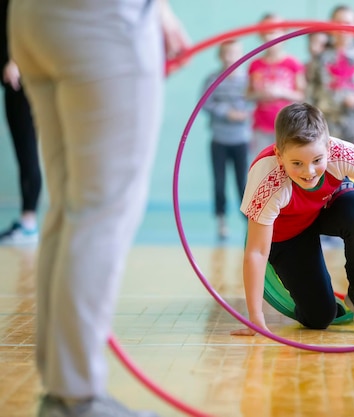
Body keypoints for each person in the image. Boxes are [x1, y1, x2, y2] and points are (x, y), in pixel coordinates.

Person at [9, 0, 190, 416]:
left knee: (71, 206)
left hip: (32, 19)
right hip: (103, 22)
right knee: (100, 213)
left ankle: (63, 391)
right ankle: (77, 396)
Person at [231, 102, 354, 335]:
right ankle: (320, 301)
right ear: (279, 155)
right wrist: (255, 317)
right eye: (297, 163)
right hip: (290, 232)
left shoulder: (341, 153)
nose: (309, 171)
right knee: (320, 317)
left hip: (328, 207)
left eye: (317, 160)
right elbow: (256, 252)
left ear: (328, 148)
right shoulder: (267, 180)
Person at [308, 5, 354, 152]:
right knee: (327, 166)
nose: (342, 28)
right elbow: (311, 88)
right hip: (325, 124)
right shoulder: (321, 57)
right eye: (338, 22)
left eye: (347, 22)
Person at [201, 40, 253, 240]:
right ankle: (221, 221)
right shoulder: (213, 79)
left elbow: (255, 101)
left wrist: (245, 114)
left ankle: (248, 222)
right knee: (219, 182)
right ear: (220, 56)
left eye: (235, 53)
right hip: (219, 140)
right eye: (227, 53)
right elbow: (206, 103)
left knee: (243, 183)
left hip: (241, 140)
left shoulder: (247, 80)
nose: (231, 57)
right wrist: (226, 112)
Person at [0, 0, 41, 246]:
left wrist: (17, 60)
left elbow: (30, 19)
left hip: (21, 76)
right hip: (10, 74)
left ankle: (29, 223)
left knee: (26, 148)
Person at [247, 13, 306, 157]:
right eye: (266, 33)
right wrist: (260, 94)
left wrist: (281, 92)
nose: (270, 37)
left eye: (274, 33)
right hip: (261, 127)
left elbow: (302, 95)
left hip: (288, 127)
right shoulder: (255, 65)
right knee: (262, 164)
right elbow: (248, 94)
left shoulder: (293, 64)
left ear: (284, 35)